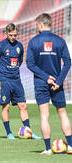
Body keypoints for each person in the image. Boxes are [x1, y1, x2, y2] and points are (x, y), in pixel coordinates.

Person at [26, 13, 72, 155]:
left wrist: (46, 77)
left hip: (41, 82)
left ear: (40, 24)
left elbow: (30, 64)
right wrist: (58, 81)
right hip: (56, 84)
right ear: (50, 24)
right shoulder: (60, 41)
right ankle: (70, 146)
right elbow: (68, 63)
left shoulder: (33, 42)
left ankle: (47, 149)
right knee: (63, 113)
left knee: (44, 115)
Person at [0, 23, 41, 140]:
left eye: (15, 35)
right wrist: (2, 72)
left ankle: (29, 131)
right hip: (4, 80)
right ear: (6, 33)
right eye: (11, 35)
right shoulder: (0, 46)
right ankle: (9, 133)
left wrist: (13, 70)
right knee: (6, 106)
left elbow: (19, 60)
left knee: (23, 106)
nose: (13, 37)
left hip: (16, 80)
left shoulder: (20, 46)